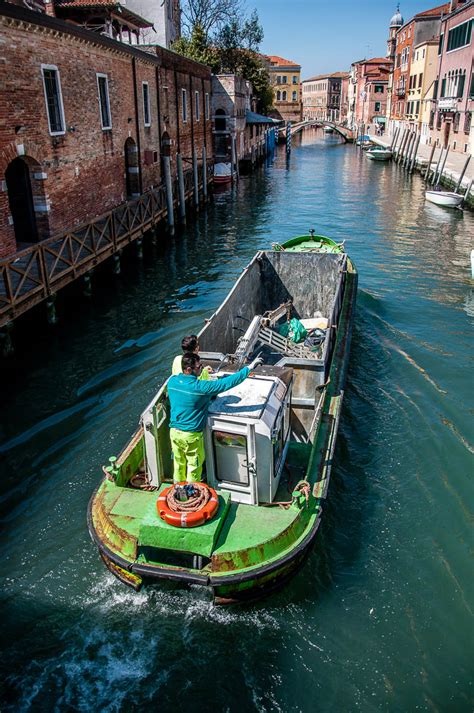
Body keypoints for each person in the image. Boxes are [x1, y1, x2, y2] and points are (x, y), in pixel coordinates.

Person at [167, 352, 262, 483]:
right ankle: (191, 494)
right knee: (193, 466)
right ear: (189, 369)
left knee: (178, 463)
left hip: (174, 434)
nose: (202, 368)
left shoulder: (172, 382)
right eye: (199, 366)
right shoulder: (200, 387)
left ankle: (177, 488)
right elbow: (227, 383)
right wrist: (249, 368)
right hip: (191, 436)